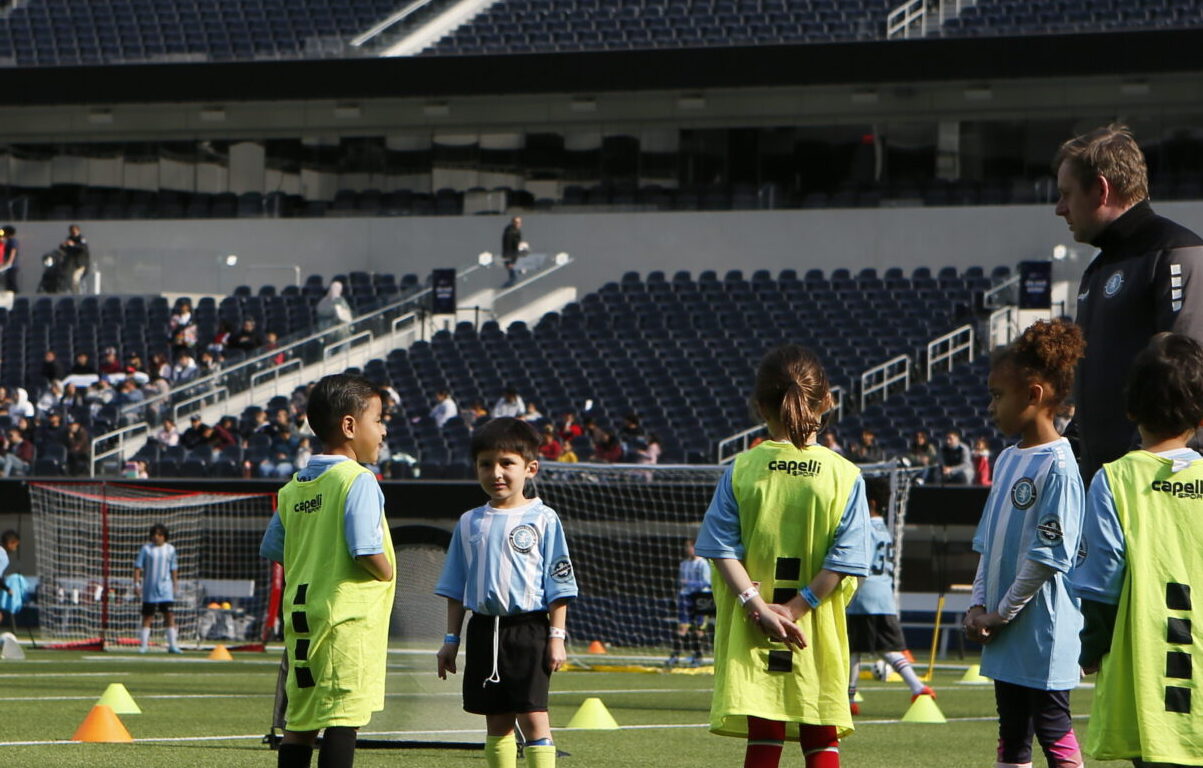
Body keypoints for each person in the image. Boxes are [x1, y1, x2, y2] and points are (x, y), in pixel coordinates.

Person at [695, 344, 871, 768]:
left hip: (754, 625)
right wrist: (798, 607)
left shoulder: (741, 469)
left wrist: (757, 608)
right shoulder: (844, 475)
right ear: (827, 401)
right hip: (815, 626)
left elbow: (721, 552)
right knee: (820, 733)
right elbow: (845, 560)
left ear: (759, 406)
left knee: (765, 732)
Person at [1070, 333, 1203, 767]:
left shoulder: (1114, 481)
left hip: (1149, 681)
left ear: (1130, 409)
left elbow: (1102, 582)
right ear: (1199, 416)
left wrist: (1090, 649)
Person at [962, 319, 1087, 768]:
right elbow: (989, 545)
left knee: (1054, 731)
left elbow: (1046, 559)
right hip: (1000, 625)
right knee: (1011, 734)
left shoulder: (1060, 466)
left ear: (1033, 396)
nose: (991, 407)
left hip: (1041, 631)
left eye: (998, 396)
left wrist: (1001, 611)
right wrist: (978, 605)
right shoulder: (1008, 459)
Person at [259, 374, 395, 768]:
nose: (384, 430)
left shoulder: (294, 487)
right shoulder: (357, 480)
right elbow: (366, 549)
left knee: (300, 722)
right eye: (378, 419)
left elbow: (274, 548)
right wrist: (386, 572)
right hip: (344, 622)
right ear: (350, 427)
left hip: (302, 620)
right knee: (341, 720)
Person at [1056, 125, 1203, 484]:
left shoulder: (1176, 253)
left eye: (1066, 194)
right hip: (1108, 490)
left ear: (1101, 190)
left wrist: (1148, 476)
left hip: (1157, 494)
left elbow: (1187, 379)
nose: (1060, 208)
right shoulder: (1096, 272)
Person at [435, 417, 577, 768]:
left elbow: (559, 584)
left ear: (530, 468)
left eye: (506, 463)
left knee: (533, 716)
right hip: (483, 631)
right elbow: (456, 587)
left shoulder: (544, 519)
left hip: (528, 630)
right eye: (486, 464)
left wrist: (556, 636)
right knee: (496, 721)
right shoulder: (469, 522)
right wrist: (451, 639)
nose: (496, 473)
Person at [845, 478, 934, 715]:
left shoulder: (863, 528)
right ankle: (850, 698)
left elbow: (859, 563)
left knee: (857, 648)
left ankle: (916, 687)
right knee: (870, 647)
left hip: (864, 596)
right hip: (883, 595)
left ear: (870, 502)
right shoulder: (884, 529)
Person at [134, 523, 181, 654]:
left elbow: (174, 568)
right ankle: (143, 646)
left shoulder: (170, 549)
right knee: (148, 616)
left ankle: (172, 645)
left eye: (159, 535)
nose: (156, 537)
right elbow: (138, 567)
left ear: (164, 536)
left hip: (165, 589)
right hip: (149, 588)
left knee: (169, 615)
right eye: (154, 534)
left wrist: (175, 583)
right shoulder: (146, 549)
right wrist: (136, 584)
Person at [667, 539, 711, 669]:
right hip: (685, 597)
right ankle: (674, 656)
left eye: (689, 547)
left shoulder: (703, 563)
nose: (687, 550)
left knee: (699, 629)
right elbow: (680, 582)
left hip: (701, 597)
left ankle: (698, 657)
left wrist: (690, 583)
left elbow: (707, 583)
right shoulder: (684, 564)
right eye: (686, 547)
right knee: (682, 627)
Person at [61, 225, 89, 293]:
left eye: (74, 231)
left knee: (75, 279)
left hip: (80, 263)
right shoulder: (70, 239)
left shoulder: (81, 239)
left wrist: (73, 245)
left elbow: (83, 248)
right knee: (68, 278)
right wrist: (64, 245)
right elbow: (66, 249)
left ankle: (78, 294)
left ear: (78, 231)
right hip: (72, 264)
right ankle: (72, 291)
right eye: (71, 231)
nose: (73, 233)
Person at [0, 530, 19, 626]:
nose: (15, 548)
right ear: (10, 544)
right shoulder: (3, 557)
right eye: (16, 545)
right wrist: (7, 589)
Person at [501, 216, 524, 287]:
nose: (518, 224)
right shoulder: (510, 232)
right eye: (516, 222)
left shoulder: (516, 231)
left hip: (514, 257)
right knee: (513, 277)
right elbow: (508, 246)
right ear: (513, 223)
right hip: (511, 257)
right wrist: (510, 261)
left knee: (514, 276)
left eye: (519, 222)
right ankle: (503, 288)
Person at [1, 225, 19, 293]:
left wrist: (9, 262)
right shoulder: (8, 241)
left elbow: (13, 251)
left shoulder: (13, 241)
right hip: (9, 265)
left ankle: (15, 294)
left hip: (12, 265)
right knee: (8, 281)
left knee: (11, 281)